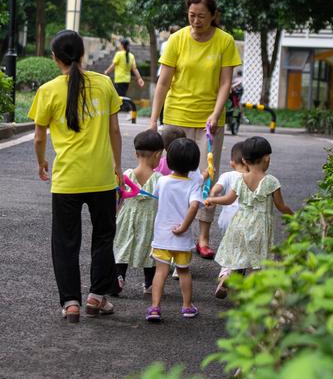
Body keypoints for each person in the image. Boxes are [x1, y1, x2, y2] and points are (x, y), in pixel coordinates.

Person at [28, 30, 125, 324]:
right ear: (82, 55)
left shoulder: (48, 90)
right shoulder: (105, 83)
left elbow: (38, 137)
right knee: (104, 236)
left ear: (55, 58)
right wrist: (118, 167)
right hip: (102, 178)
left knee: (65, 242)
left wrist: (42, 162)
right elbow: (115, 132)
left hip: (67, 179)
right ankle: (97, 296)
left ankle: (71, 303)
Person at [150, 0, 242, 260]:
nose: (196, 20)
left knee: (206, 178)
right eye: (192, 15)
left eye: (202, 16)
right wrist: (155, 119)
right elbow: (164, 82)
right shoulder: (176, 40)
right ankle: (168, 232)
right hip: (177, 117)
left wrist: (215, 113)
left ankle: (202, 237)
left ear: (214, 15)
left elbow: (226, 82)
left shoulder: (225, 42)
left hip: (209, 122)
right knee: (172, 177)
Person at [205, 136, 293, 294]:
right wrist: (293, 215)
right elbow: (281, 206)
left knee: (239, 255)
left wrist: (212, 199)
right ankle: (253, 290)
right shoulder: (271, 182)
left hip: (239, 223)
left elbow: (228, 199)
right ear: (266, 159)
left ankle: (228, 277)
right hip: (260, 226)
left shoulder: (240, 179)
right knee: (258, 260)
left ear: (244, 160)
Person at [146, 138, 204, 322]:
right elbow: (194, 206)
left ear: (169, 160)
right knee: (184, 271)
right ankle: (187, 306)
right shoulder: (193, 184)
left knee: (160, 271)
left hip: (163, 235)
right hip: (182, 238)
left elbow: (154, 197)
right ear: (194, 164)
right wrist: (184, 227)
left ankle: (155, 308)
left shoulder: (162, 181)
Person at [114, 130, 164, 294]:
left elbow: (118, 196)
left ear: (136, 153)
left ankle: (119, 278)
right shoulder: (159, 179)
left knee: (122, 246)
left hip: (127, 217)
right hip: (149, 220)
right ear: (157, 155)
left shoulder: (127, 174)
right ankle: (149, 283)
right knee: (149, 251)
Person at [209, 142, 246, 298]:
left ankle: (225, 274)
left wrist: (212, 197)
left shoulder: (227, 175)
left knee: (230, 247)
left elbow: (217, 188)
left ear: (232, 163)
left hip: (226, 220)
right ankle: (233, 276)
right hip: (245, 219)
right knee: (242, 250)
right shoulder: (253, 177)